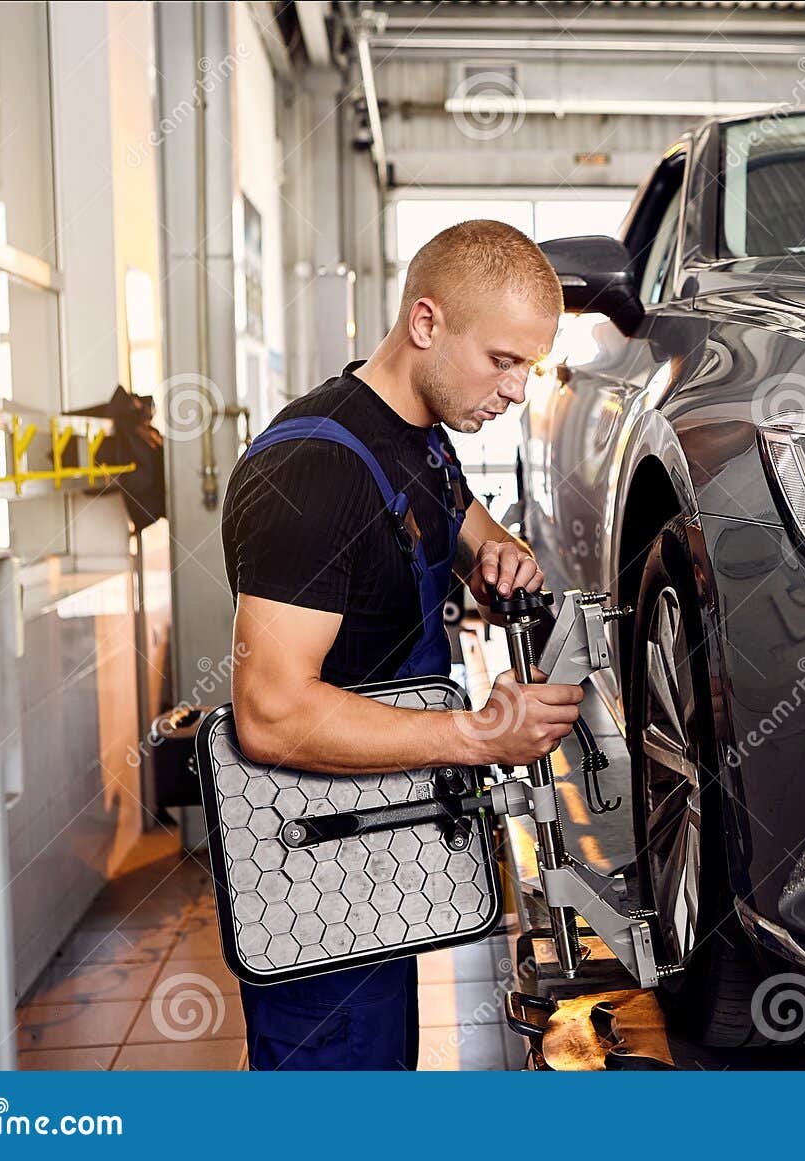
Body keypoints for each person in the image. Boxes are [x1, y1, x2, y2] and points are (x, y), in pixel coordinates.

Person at [220, 219, 583, 1070]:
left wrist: (503, 559)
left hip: (381, 849)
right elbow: (270, 713)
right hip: (311, 875)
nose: (518, 391)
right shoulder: (312, 472)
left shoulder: (418, 438)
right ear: (426, 323)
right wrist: (479, 736)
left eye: (531, 365)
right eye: (503, 360)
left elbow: (475, 531)